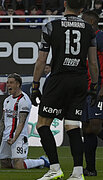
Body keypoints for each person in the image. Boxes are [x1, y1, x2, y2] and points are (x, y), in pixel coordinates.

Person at [31, 0, 99, 179]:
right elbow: (93, 62)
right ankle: (77, 172)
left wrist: (35, 86)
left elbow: (41, 60)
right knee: (72, 126)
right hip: (80, 80)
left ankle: (54, 168)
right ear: (82, 9)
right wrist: (94, 86)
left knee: (42, 124)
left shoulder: (51, 26)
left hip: (59, 79)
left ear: (65, 3)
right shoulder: (89, 29)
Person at [0, 73, 50, 169]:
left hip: (19, 137)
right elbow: (3, 120)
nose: (8, 85)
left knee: (18, 165)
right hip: (6, 136)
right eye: (7, 83)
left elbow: (21, 122)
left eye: (11, 83)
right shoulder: (7, 100)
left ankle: (42, 161)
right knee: (5, 164)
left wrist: (14, 138)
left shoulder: (24, 100)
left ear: (18, 84)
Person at [81, 10, 103, 177]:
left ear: (91, 22)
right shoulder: (85, 40)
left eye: (83, 21)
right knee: (87, 129)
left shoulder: (100, 37)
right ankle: (90, 169)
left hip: (99, 88)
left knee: (95, 126)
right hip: (86, 90)